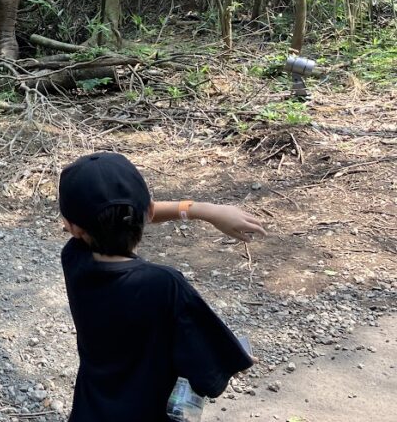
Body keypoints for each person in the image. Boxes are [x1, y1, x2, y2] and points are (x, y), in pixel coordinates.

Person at [58, 152, 267, 422]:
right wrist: (240, 358)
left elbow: (122, 214)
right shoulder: (164, 286)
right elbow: (207, 374)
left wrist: (200, 211)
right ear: (148, 212)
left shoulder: (74, 259)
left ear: (71, 227)